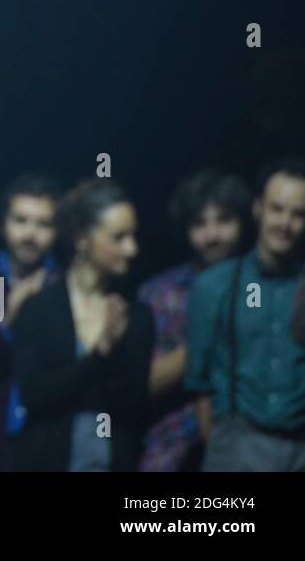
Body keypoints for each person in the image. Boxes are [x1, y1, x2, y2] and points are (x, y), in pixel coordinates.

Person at [11, 180, 154, 471]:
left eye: (133, 236)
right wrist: (98, 356)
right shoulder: (41, 308)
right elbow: (34, 396)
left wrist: (114, 350)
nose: (131, 248)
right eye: (118, 237)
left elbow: (133, 407)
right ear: (82, 237)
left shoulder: (135, 315)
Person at [186, 157, 305, 471]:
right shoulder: (214, 285)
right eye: (277, 209)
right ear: (258, 209)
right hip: (238, 442)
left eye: (298, 214)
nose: (285, 223)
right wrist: (219, 446)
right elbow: (199, 382)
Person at [137, 170, 248, 471]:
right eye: (200, 224)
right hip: (169, 449)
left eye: (224, 220)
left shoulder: (260, 289)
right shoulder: (160, 293)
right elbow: (140, 384)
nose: (212, 235)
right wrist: (204, 341)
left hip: (248, 453)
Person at [0, 173, 61, 472]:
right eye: (21, 220)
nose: (30, 234)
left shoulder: (64, 288)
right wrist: (12, 314)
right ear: (3, 224)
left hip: (46, 440)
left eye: (43, 224)